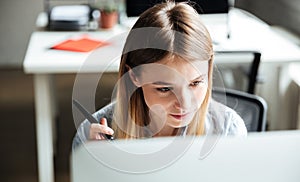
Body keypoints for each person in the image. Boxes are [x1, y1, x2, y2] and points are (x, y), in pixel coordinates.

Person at [73, 1, 246, 150]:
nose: (184, 104)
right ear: (134, 76)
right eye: (164, 89)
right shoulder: (92, 135)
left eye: (195, 83)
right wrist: (94, 163)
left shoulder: (228, 130)